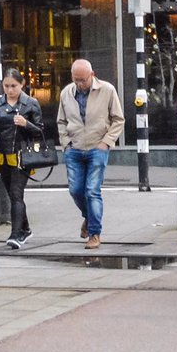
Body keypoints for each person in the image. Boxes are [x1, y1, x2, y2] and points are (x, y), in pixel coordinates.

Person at [56, 59, 125, 250]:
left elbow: (118, 119)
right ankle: (88, 217)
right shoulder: (66, 93)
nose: (80, 84)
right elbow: (61, 121)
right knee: (76, 190)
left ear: (92, 75)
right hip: (74, 148)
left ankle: (94, 233)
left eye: (83, 80)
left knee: (92, 191)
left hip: (97, 147)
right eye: (76, 79)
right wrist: (66, 144)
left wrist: (106, 143)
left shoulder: (107, 90)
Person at [0, 67, 42, 249]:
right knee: (11, 193)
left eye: (13, 86)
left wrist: (26, 124)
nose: (9, 90)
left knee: (16, 193)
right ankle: (26, 228)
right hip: (2, 154)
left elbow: (41, 131)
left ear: (22, 84)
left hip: (23, 155)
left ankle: (16, 234)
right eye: (6, 86)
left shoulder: (31, 103)